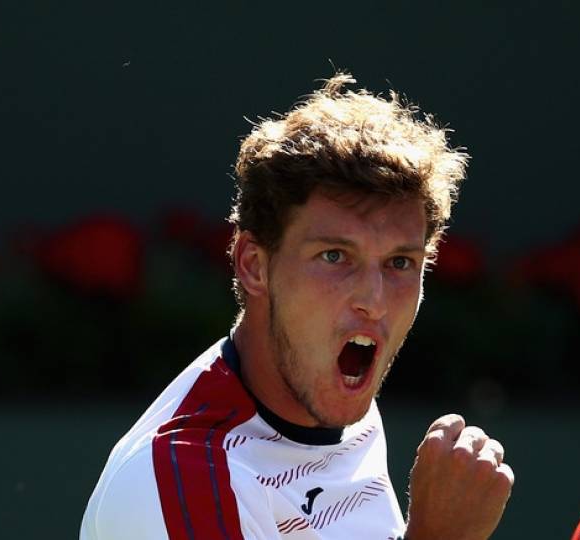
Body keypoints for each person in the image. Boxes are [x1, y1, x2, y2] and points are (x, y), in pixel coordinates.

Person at [80, 73, 514, 540]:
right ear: (254, 265)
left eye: (400, 262)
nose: (374, 299)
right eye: (334, 257)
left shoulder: (342, 402)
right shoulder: (177, 482)